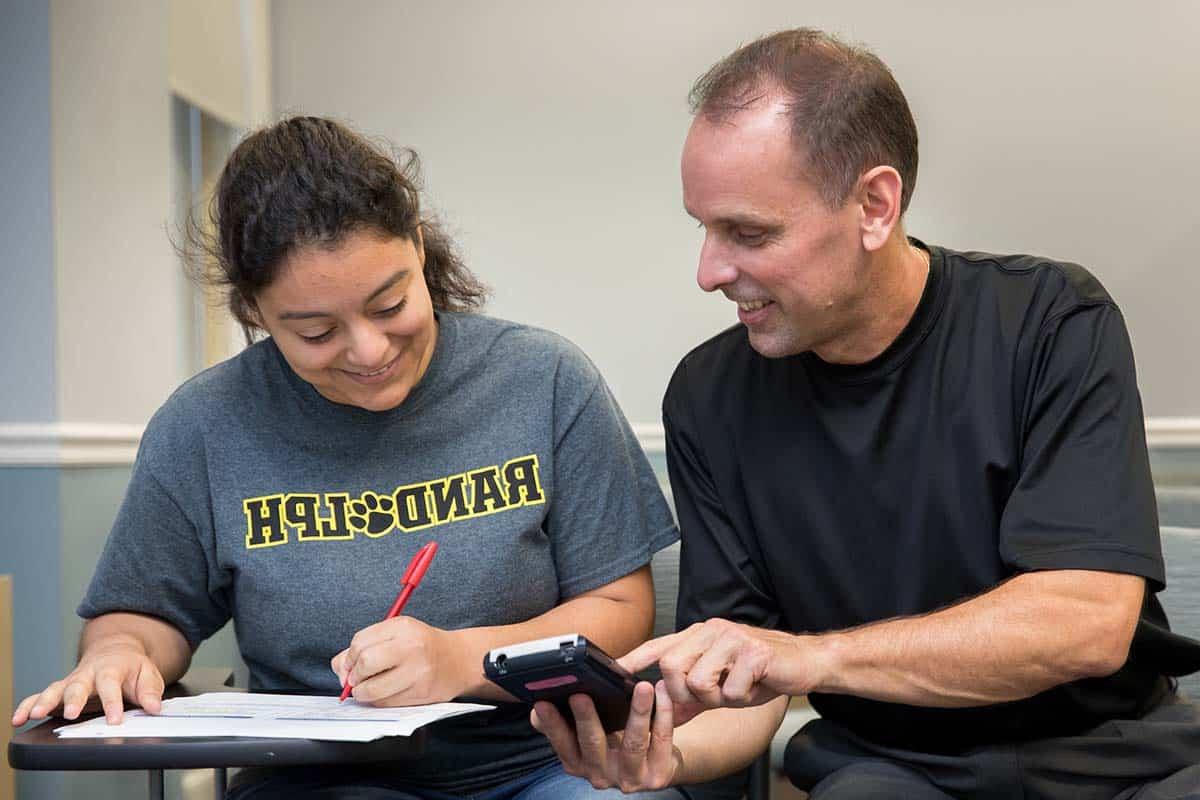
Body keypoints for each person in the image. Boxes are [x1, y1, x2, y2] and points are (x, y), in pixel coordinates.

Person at [531, 28, 1200, 799]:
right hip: (892, 773)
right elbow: (744, 686)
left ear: (875, 205)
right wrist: (665, 759)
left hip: (1113, 758)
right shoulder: (708, 400)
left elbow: (1086, 623)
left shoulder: (1050, 323)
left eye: (749, 232)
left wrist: (806, 657)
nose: (710, 271)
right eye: (704, 227)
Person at [10, 116, 685, 800]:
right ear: (255, 312)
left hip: (544, 766)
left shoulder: (544, 381)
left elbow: (620, 603)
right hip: (319, 779)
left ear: (420, 250)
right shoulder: (204, 427)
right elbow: (142, 614)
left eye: (389, 304)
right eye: (317, 331)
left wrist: (461, 659)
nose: (369, 351)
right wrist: (118, 654)